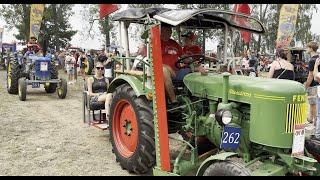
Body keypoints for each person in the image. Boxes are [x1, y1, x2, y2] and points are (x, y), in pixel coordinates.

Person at [305, 41, 319, 124]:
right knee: (314, 103)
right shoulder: (318, 58)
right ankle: (311, 119)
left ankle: (315, 123)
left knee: (313, 104)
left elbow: (310, 76)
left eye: (307, 47)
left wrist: (306, 86)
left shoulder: (311, 60)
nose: (306, 49)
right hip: (318, 83)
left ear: (311, 48)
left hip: (313, 85)